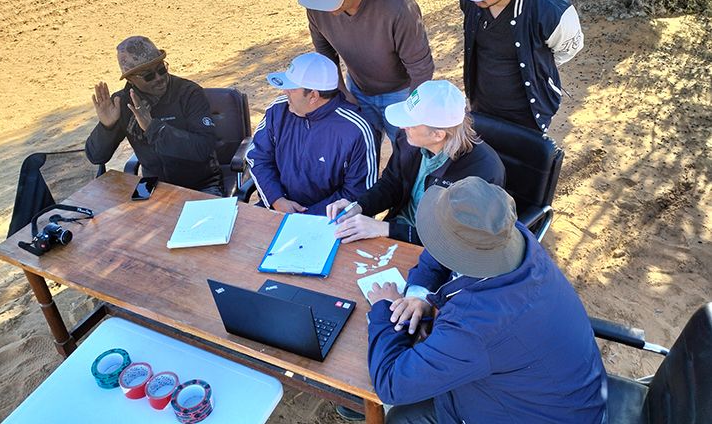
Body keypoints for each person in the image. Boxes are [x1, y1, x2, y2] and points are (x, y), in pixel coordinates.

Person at [366, 176, 608, 423]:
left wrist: (384, 309)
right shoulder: (507, 236)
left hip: (547, 415)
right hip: (562, 394)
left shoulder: (477, 323)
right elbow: (439, 248)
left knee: (400, 418)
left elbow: (390, 383)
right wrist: (419, 295)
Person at [326, 80, 504, 245]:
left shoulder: (482, 172)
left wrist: (385, 229)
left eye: (410, 123)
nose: (403, 127)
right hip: (397, 231)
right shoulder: (409, 140)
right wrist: (359, 206)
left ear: (438, 135)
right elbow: (391, 183)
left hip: (436, 252)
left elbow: (455, 239)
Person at [298, 0, 435, 145]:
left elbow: (421, 67)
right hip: (357, 89)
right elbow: (325, 55)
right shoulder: (318, 6)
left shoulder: (396, 4)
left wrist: (410, 111)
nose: (326, 5)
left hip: (401, 93)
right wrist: (342, 93)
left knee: (408, 154)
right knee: (361, 151)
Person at [455, 0, 584, 133]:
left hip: (528, 115)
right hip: (481, 108)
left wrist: (537, 64)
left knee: (522, 163)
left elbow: (567, 49)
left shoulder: (551, 11)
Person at [85, 36, 224, 196]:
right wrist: (107, 127)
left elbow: (203, 148)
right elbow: (96, 157)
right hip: (153, 184)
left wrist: (154, 128)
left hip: (200, 184)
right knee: (131, 219)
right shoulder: (122, 103)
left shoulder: (188, 93)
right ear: (131, 79)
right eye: (148, 76)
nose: (159, 78)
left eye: (161, 69)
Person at [245, 52, 377, 216]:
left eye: (292, 88)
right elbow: (258, 157)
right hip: (277, 210)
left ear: (313, 95)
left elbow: (358, 193)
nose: (284, 92)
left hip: (329, 221)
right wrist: (277, 200)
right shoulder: (277, 110)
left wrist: (305, 217)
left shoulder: (356, 130)